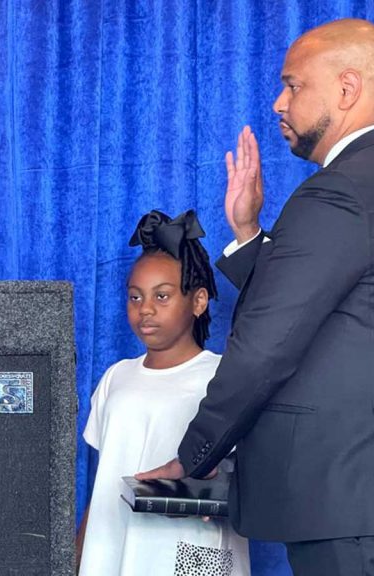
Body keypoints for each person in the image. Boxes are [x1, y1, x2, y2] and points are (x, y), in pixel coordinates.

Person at [137, 19, 374, 575]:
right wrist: (248, 234)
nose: (280, 102)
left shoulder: (339, 193)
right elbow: (322, 315)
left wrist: (195, 458)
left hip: (350, 507)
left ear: (347, 89)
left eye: (293, 85)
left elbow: (266, 344)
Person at [77, 210, 249, 576]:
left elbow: (247, 475)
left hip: (190, 552)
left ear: (199, 301)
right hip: (114, 545)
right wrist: (78, 554)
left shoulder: (223, 377)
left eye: (163, 296)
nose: (146, 310)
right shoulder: (116, 377)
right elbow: (104, 479)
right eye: (135, 297)